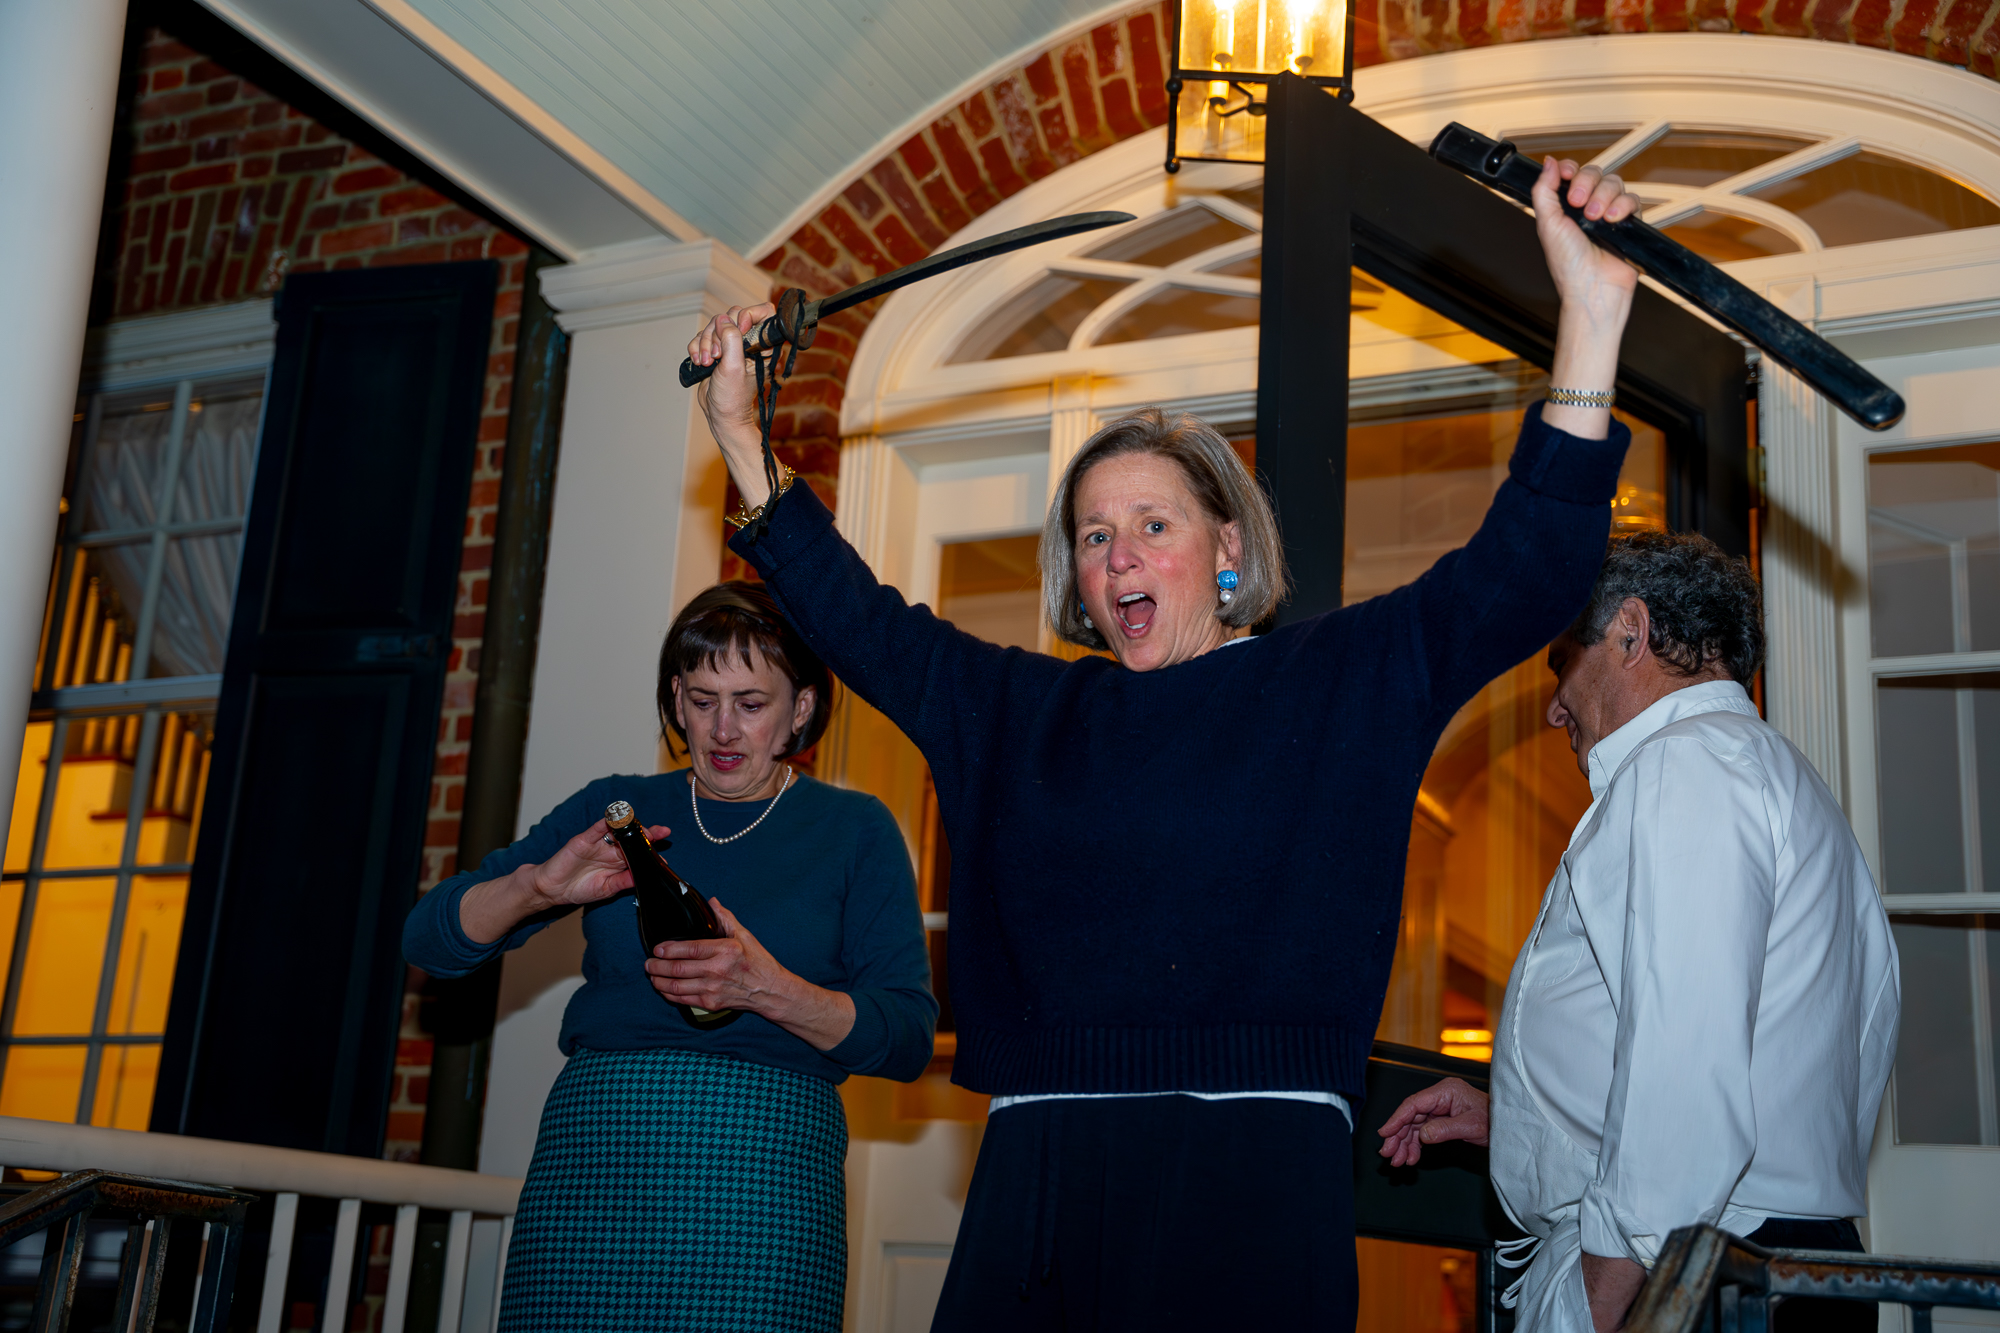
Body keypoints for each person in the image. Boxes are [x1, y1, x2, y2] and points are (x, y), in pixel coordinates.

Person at [687, 157, 1642, 1332]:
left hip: (1253, 1172)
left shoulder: (1337, 680)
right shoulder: (1019, 710)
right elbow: (856, 622)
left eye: (1151, 523)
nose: (1119, 555)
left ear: (1227, 548)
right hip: (1042, 1173)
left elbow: (1521, 571)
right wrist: (740, 433)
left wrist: (1589, 318)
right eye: (1093, 536)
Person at [1377, 533, 1900, 1333]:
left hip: (1695, 1280)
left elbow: (1684, 1072)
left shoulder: (1683, 767)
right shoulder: (1780, 778)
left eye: (1561, 662)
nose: (1553, 706)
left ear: (1631, 631)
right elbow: (1766, 1067)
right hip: (1772, 1269)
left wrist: (1595, 1302)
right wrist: (1521, 1122)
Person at [403, 583, 935, 1333]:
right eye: (702, 699)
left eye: (751, 703)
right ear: (677, 700)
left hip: (764, 1185)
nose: (723, 728)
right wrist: (536, 888)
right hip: (592, 1173)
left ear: (802, 709)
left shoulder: (855, 830)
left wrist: (767, 989)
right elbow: (428, 941)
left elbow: (907, 1036)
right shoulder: (618, 810)